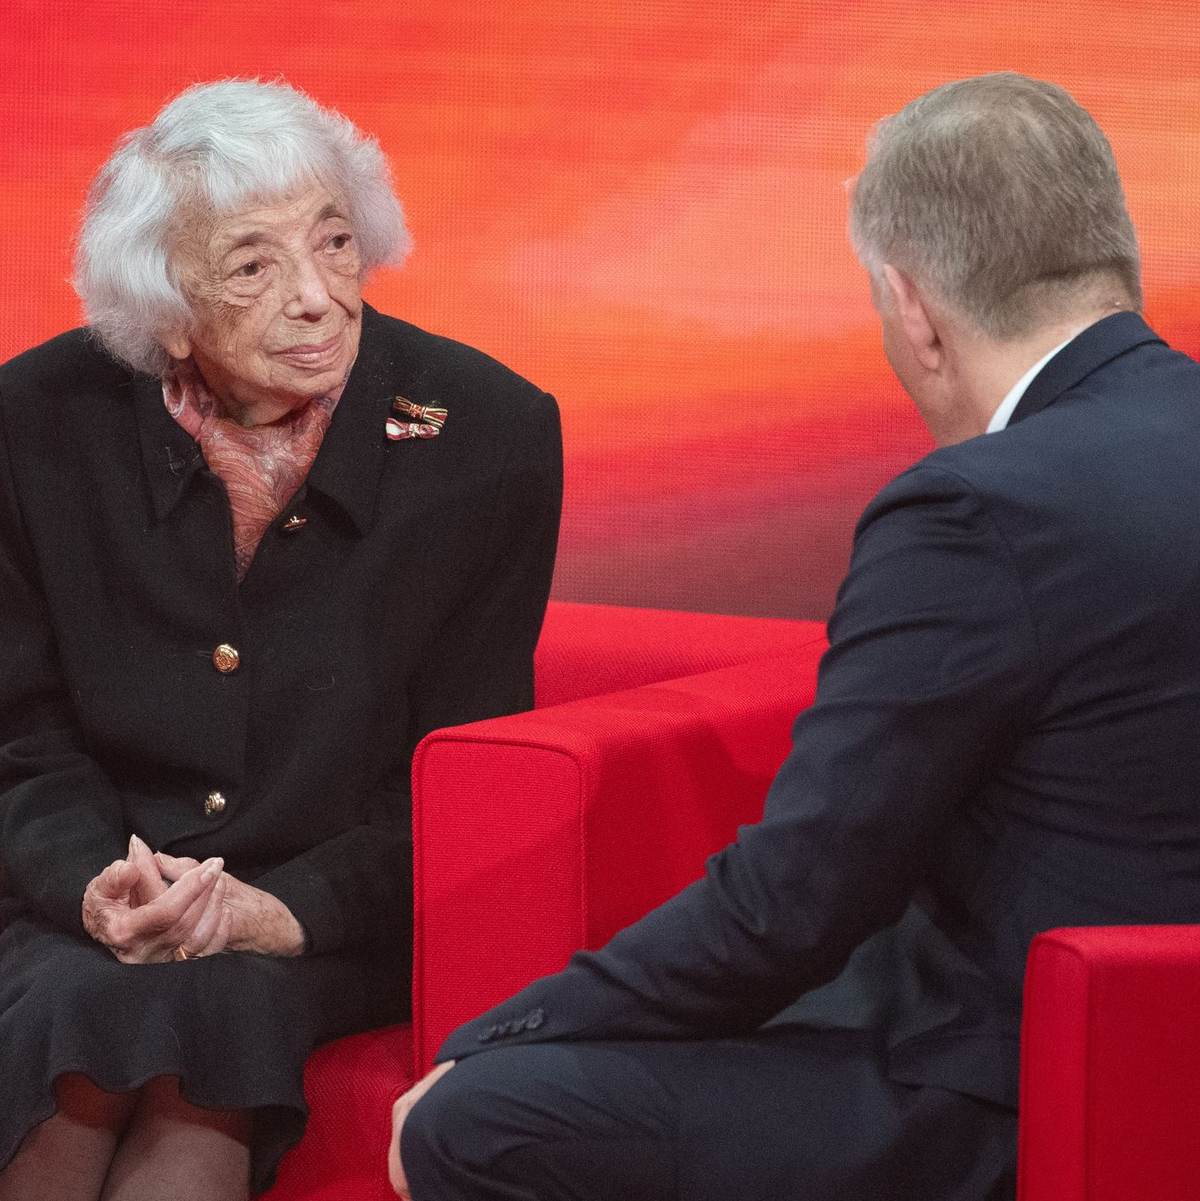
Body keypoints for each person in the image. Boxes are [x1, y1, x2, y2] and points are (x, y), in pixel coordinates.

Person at [389, 72, 1200, 1201]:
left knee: (482, 1123)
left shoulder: (976, 508)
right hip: (1150, 1049)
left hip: (1025, 1082)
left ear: (910, 305)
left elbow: (796, 903)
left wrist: (500, 1035)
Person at [0, 78, 561, 1201]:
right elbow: (20, 727)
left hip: (334, 904)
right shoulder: (36, 421)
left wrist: (284, 910)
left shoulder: (486, 431)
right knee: (86, 997)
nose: (318, 298)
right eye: (253, 266)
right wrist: (93, 884)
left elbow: (464, 767)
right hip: (97, 885)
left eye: (336, 243)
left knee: (220, 1006)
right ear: (162, 308)